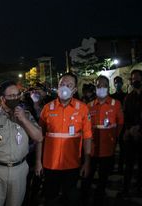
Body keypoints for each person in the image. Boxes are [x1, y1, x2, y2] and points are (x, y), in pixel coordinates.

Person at [0, 81, 43, 206]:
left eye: (17, 95)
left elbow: (39, 137)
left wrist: (24, 119)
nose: (15, 98)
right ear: (2, 98)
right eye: (11, 96)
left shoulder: (27, 116)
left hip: (19, 169)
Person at [36, 72, 92, 206]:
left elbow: (87, 136)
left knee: (70, 198)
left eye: (69, 85)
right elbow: (39, 137)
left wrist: (87, 162)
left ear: (74, 89)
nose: (64, 87)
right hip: (50, 164)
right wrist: (38, 161)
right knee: (50, 198)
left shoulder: (83, 109)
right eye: (62, 84)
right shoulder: (47, 109)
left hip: (72, 164)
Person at [81, 75, 123, 205]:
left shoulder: (116, 104)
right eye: (98, 85)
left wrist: (113, 138)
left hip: (107, 150)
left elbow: (120, 124)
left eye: (104, 85)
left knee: (103, 179)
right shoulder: (89, 106)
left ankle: (98, 200)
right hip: (92, 151)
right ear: (95, 88)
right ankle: (83, 199)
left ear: (108, 87)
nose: (101, 88)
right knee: (87, 177)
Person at [121, 69, 142, 195]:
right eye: (133, 79)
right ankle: (126, 188)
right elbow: (126, 116)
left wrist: (140, 128)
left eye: (137, 78)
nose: (135, 81)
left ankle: (141, 186)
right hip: (131, 135)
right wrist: (129, 129)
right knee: (128, 163)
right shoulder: (128, 97)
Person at [111, 76, 126, 173]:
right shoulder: (112, 97)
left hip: (123, 125)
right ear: (114, 84)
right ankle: (111, 167)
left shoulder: (126, 96)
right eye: (116, 82)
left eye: (119, 82)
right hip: (114, 126)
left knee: (123, 148)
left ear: (122, 83)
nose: (118, 84)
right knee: (112, 148)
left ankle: (120, 167)